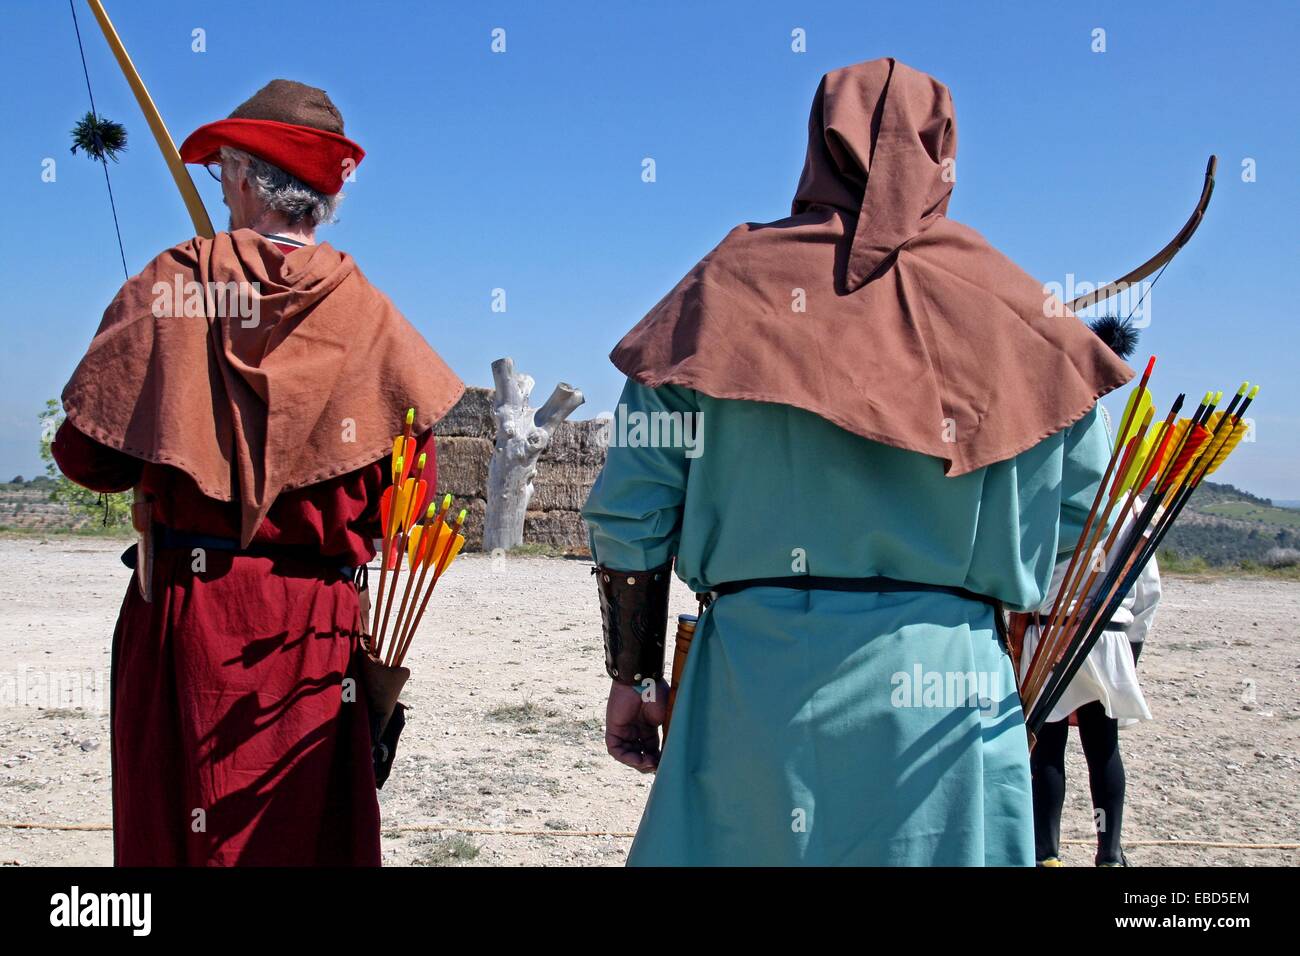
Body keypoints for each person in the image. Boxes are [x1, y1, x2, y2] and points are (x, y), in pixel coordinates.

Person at [582, 58, 1133, 866]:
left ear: (816, 144)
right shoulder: (1027, 321)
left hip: (756, 688)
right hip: (949, 696)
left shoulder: (723, 293)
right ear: (944, 152)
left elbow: (633, 511)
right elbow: (1079, 531)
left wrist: (635, 677)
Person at [53, 79, 463, 865]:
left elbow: (85, 457)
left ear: (242, 176)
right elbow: (407, 503)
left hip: (190, 613)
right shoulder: (370, 314)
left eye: (223, 172)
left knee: (180, 832)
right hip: (314, 630)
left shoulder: (176, 282)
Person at [1022, 382, 1163, 868]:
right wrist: (1133, 656)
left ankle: (1047, 854)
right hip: (1109, 638)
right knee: (1103, 748)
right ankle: (1110, 852)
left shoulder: (1043, 497)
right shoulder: (1131, 508)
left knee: (1048, 749)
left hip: (1053, 635)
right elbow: (1149, 593)